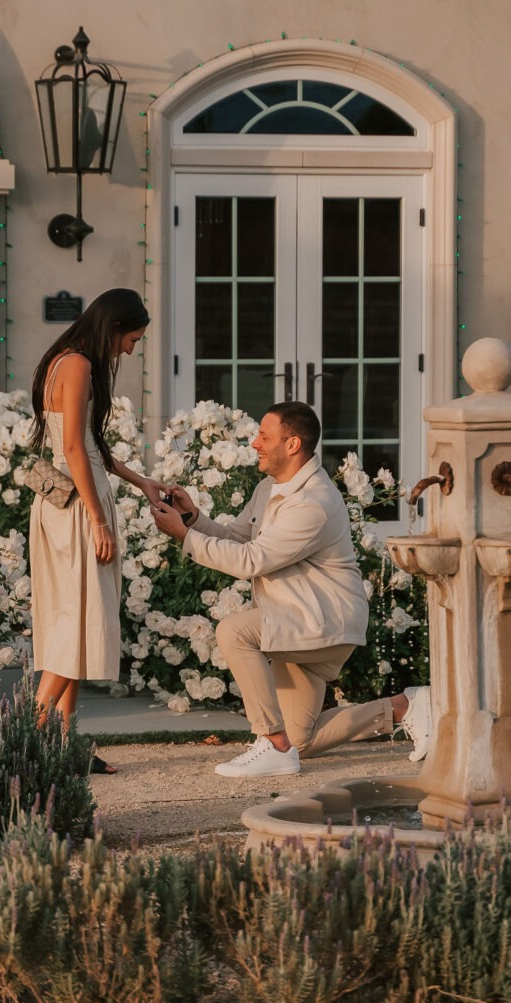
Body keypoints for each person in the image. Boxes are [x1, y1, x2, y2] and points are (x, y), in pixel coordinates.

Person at [151, 401, 432, 777]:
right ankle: (406, 706)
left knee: (233, 631)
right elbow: (237, 537)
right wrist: (193, 519)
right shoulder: (270, 487)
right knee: (302, 741)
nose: (254, 443)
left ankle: (271, 742)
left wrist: (184, 536)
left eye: (264, 436)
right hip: (297, 618)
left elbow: (252, 560)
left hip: (322, 621)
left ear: (293, 444)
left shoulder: (313, 502)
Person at [29, 288, 165, 774]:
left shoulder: (62, 360)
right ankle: (28, 738)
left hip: (65, 502)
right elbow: (71, 449)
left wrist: (141, 481)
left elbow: (89, 444)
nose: (130, 349)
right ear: (112, 327)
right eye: (132, 339)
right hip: (76, 509)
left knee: (76, 617)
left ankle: (65, 747)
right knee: (75, 622)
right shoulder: (79, 365)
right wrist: (98, 519)